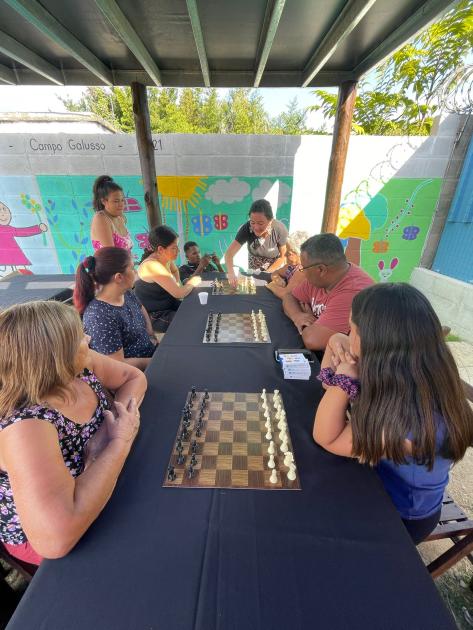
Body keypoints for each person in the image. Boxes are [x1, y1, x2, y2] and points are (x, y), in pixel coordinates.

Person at [313, 283, 473, 544]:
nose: (347, 332)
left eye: (351, 328)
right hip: (376, 478)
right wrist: (335, 342)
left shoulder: (408, 423)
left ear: (374, 341)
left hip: (400, 516)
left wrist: (344, 379)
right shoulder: (406, 368)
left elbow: (326, 438)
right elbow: (326, 383)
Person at [0, 301, 147, 565]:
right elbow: (55, 540)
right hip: (43, 535)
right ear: (54, 356)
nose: (88, 338)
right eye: (79, 336)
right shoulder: (24, 425)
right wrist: (118, 441)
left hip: (98, 484)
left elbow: (133, 378)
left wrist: (113, 423)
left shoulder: (79, 367)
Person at [282, 233, 373, 351]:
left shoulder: (354, 292)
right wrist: (298, 315)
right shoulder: (321, 278)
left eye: (304, 268)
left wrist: (307, 322)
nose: (303, 273)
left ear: (321, 269)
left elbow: (312, 340)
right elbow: (289, 297)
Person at [73, 247, 157, 370]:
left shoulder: (126, 292)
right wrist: (155, 361)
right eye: (133, 268)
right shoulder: (99, 316)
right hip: (134, 375)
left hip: (151, 355)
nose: (136, 272)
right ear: (118, 277)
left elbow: (141, 308)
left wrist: (151, 335)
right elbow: (117, 364)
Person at [135, 226, 201, 332]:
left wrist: (176, 285)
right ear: (161, 249)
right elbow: (179, 294)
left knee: (197, 308)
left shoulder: (165, 258)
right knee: (193, 321)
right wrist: (192, 283)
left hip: (168, 305)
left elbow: (175, 271)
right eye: (174, 248)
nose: (178, 251)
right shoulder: (152, 265)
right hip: (153, 315)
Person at [224, 199, 288, 285]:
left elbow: (283, 257)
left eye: (260, 223)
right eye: (252, 222)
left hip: (274, 267)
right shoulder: (246, 228)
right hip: (254, 266)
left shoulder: (279, 229)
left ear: (270, 221)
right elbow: (229, 254)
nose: (256, 227)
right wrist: (231, 273)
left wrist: (267, 273)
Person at [90, 175, 133, 252]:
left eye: (122, 200)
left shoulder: (120, 218)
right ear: (103, 201)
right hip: (111, 263)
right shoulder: (100, 218)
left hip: (126, 263)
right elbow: (112, 254)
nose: (121, 204)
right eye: (116, 201)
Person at [265, 231, 308, 300]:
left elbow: (285, 294)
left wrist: (271, 285)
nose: (285, 255)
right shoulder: (291, 267)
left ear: (300, 255)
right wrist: (278, 279)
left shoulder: (302, 271)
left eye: (289, 253)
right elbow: (275, 273)